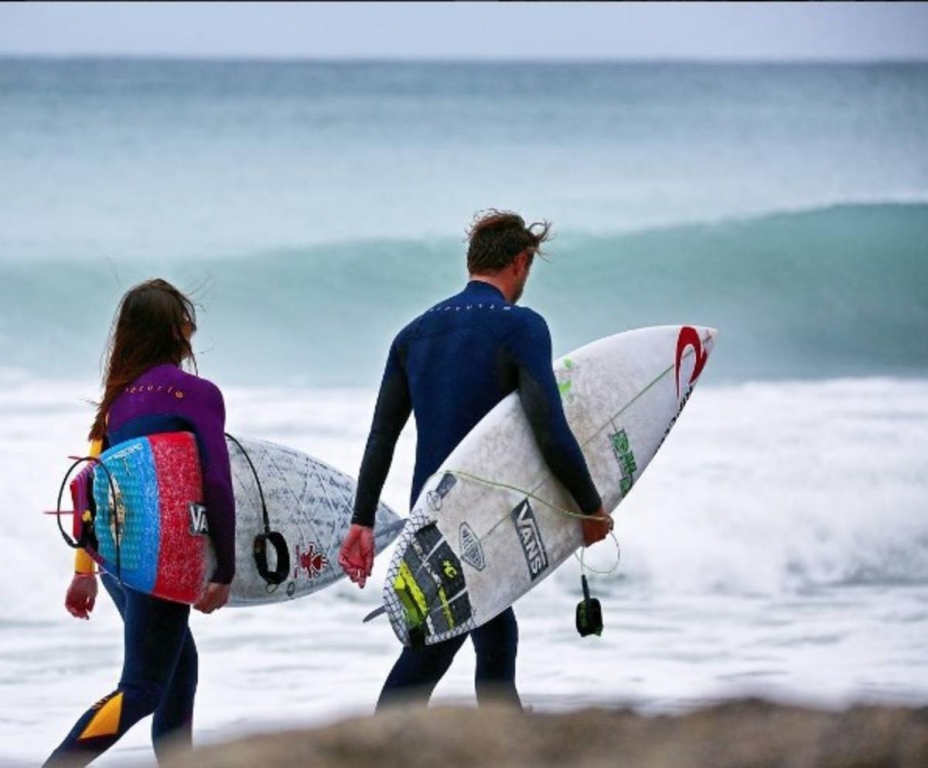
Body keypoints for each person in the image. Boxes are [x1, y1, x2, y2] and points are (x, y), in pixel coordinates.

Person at [338, 210, 611, 710]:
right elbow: (549, 428)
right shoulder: (522, 326)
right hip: (481, 516)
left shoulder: (413, 334)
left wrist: (361, 520)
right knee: (432, 655)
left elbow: (382, 436)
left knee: (495, 637)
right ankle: (376, 748)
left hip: (430, 514)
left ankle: (501, 747)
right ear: (521, 263)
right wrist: (590, 507)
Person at [45, 279, 236, 767]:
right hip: (163, 554)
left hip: (119, 559)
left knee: (178, 667)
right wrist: (225, 568)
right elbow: (216, 480)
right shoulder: (195, 394)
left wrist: (85, 571)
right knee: (142, 688)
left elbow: (95, 489)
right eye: (188, 319)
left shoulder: (118, 402)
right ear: (177, 329)